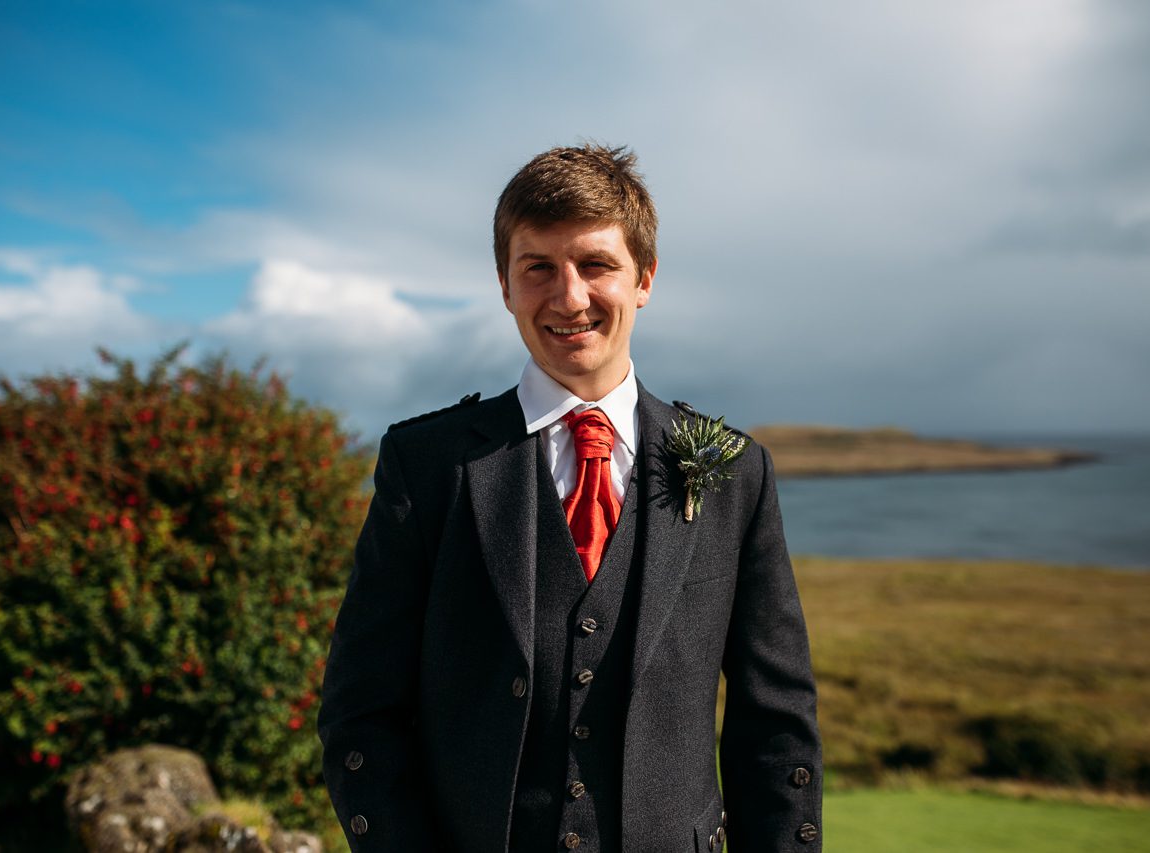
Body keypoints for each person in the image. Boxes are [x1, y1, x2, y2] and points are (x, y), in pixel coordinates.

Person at [318, 144, 822, 852]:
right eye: (538, 269)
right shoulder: (427, 465)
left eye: (595, 265)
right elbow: (360, 711)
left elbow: (775, 723)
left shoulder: (736, 472)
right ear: (504, 285)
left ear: (644, 278)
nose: (569, 297)